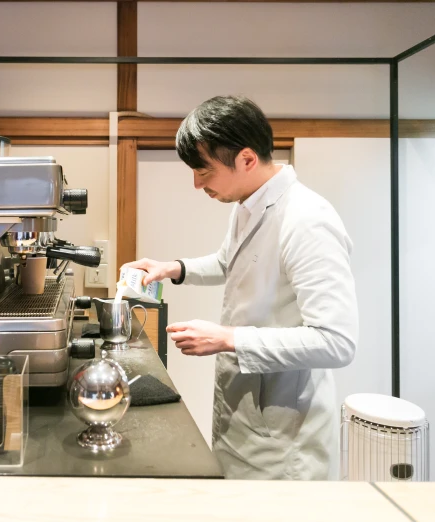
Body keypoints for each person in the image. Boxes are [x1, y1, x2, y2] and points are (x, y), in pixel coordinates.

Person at [122, 95, 358, 480]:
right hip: (243, 414)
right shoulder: (248, 203)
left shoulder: (308, 221)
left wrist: (229, 338)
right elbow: (227, 262)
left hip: (283, 435)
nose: (197, 184)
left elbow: (337, 341)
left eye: (204, 171)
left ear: (247, 159)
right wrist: (174, 269)